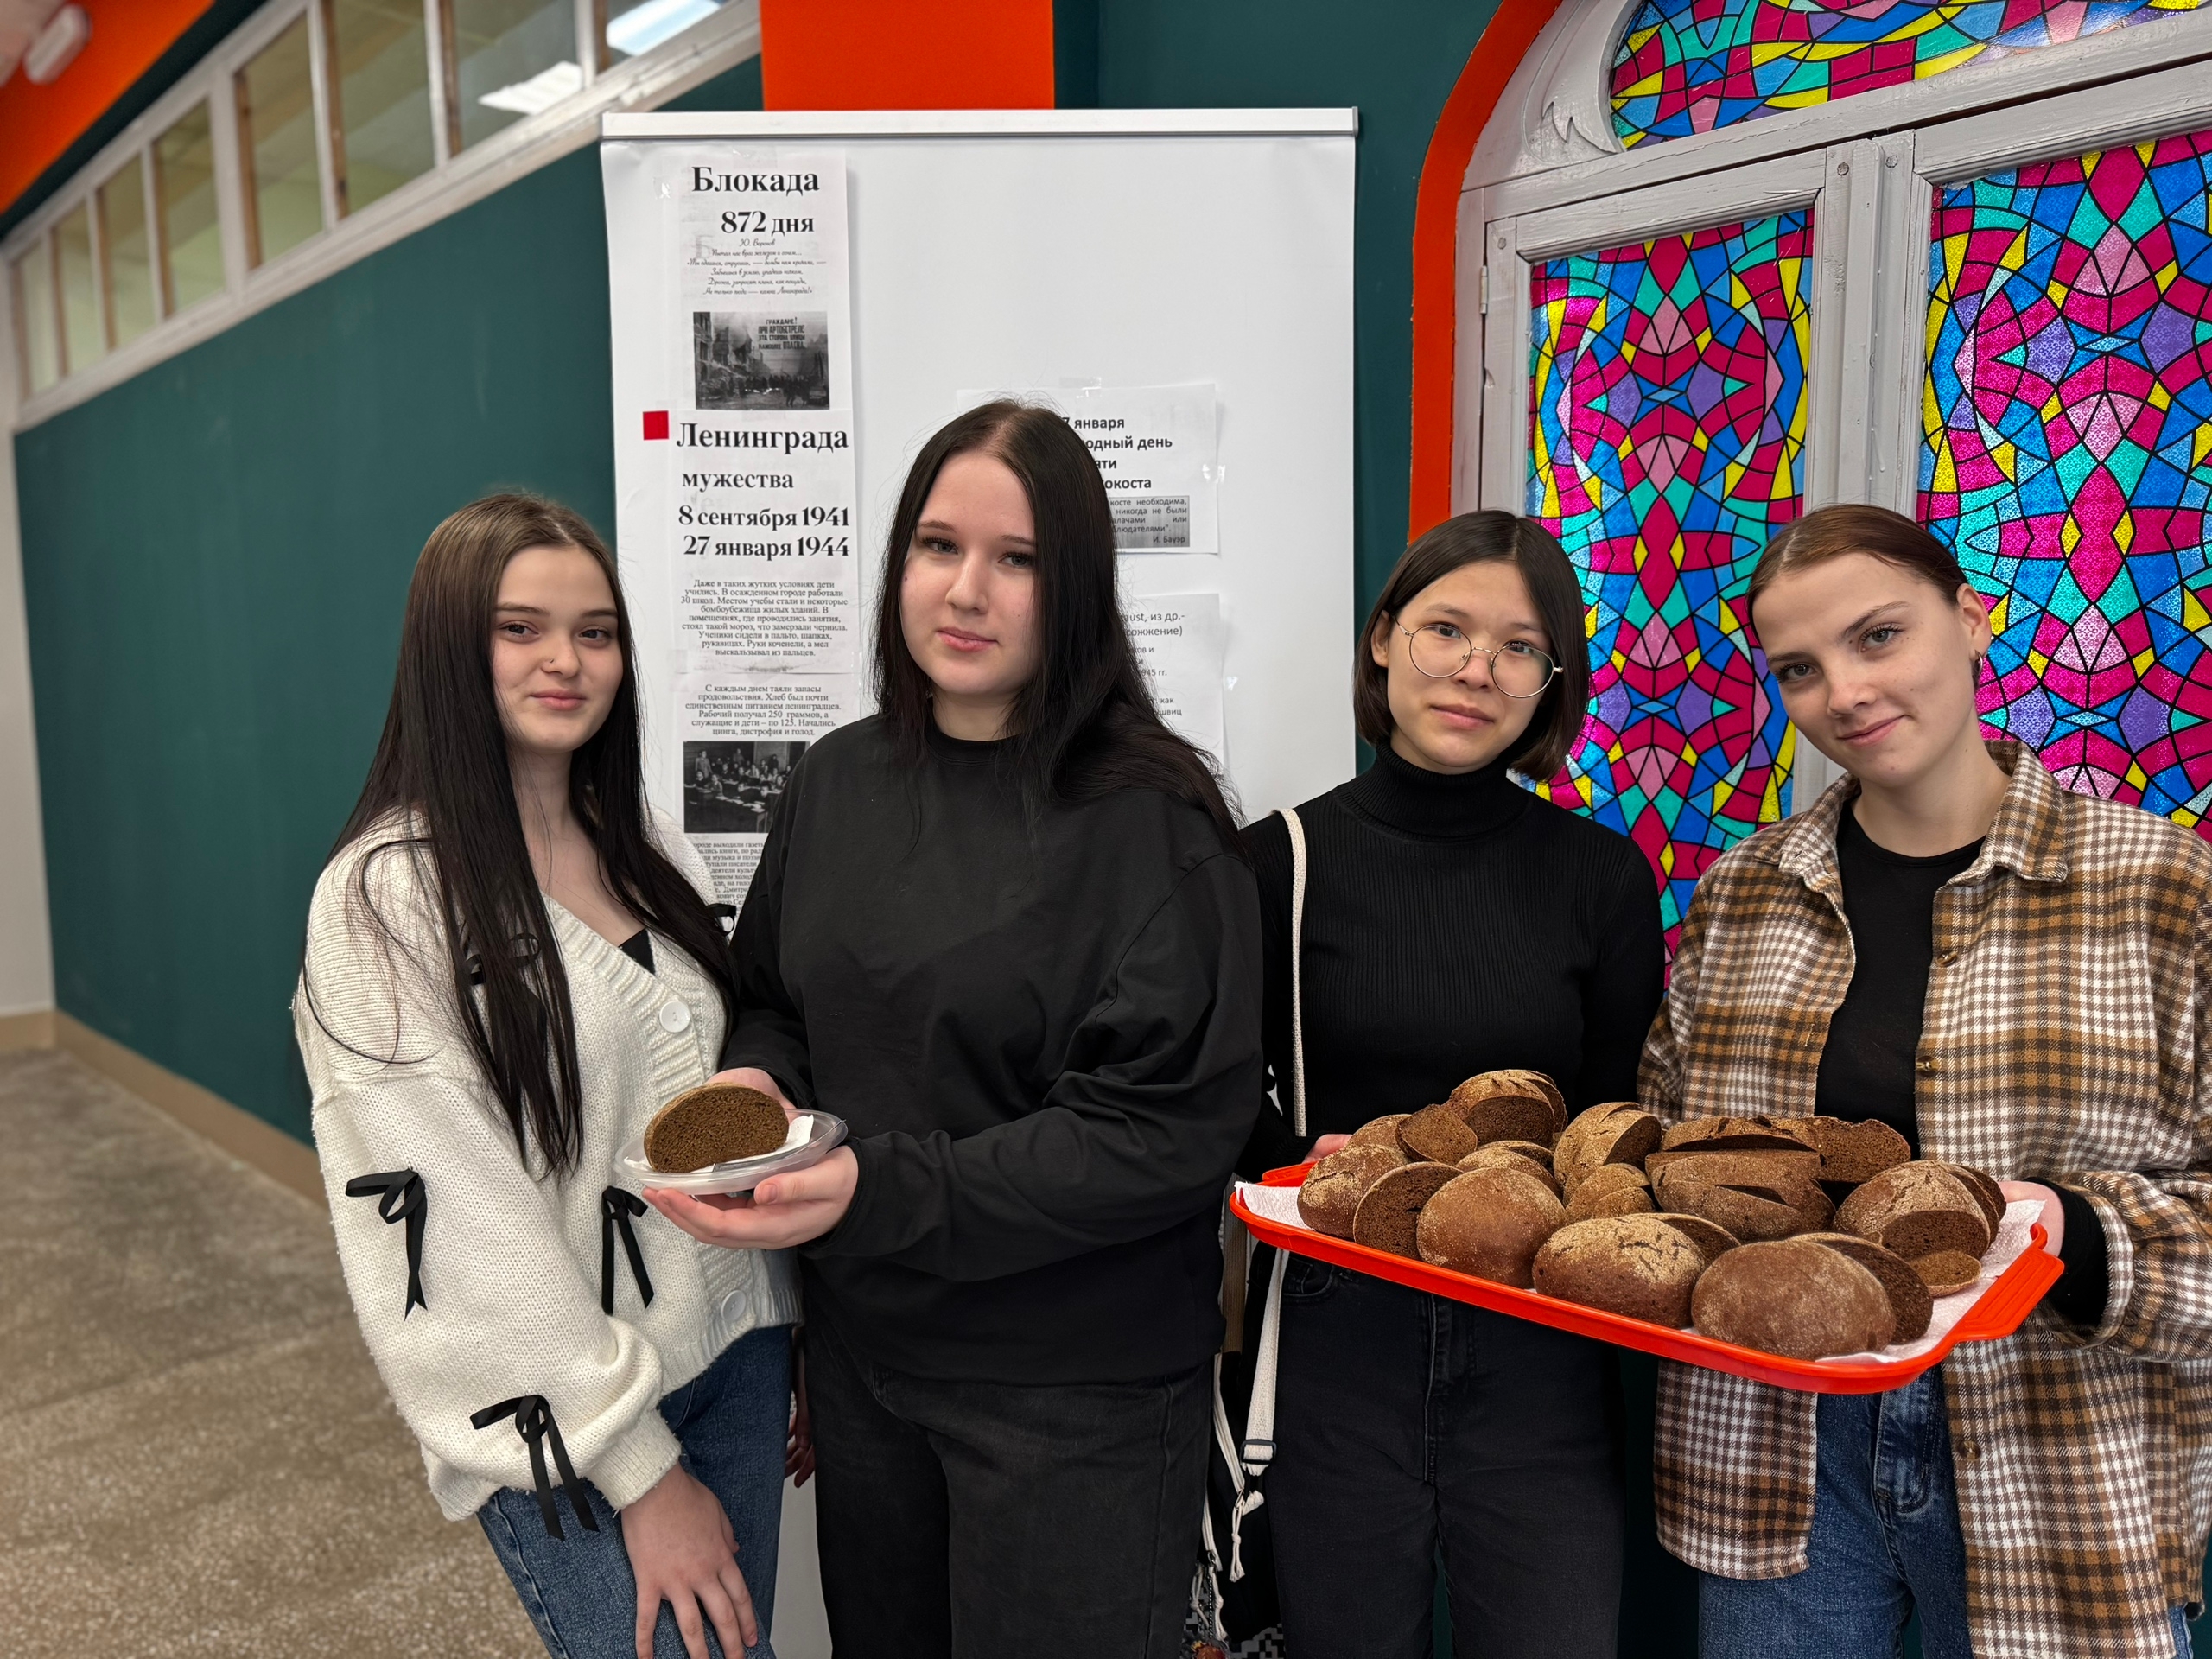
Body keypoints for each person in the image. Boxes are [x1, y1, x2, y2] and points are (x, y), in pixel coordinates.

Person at [644, 402, 1262, 1658]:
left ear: (1075, 586)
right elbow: (777, 996)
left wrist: (874, 1188)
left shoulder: (1158, 824)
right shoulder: (836, 781)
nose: (966, 590)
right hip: (869, 1363)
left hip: (1074, 1397)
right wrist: (760, 1087)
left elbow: (1155, 1138)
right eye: (937, 546)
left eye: (1016, 559)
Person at [1642, 503, 2212, 1659]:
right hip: (1776, 1453)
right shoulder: (1743, 892)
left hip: (2060, 1457)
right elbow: (1664, 1153)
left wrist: (2072, 1231)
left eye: (1879, 635)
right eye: (1799, 669)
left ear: (1970, 616)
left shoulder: (2164, 888)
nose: (1845, 693)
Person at [295, 494, 800, 1659]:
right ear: (448, 647)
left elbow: (709, 1116)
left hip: (738, 1360)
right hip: (570, 1423)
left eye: (596, 631)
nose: (566, 661)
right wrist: (642, 1472)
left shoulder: (642, 843)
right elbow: (460, 1231)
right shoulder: (384, 902)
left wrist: (790, 1322)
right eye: (519, 629)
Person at [1243, 510, 1666, 1656]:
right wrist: (1290, 1160)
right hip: (1337, 1334)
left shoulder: (1601, 878)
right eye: (1447, 630)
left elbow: (1613, 1122)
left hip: (1543, 1342)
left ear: (1550, 686)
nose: (1478, 669)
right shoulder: (1275, 861)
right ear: (1384, 639)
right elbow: (1217, 1104)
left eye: (1520, 647)